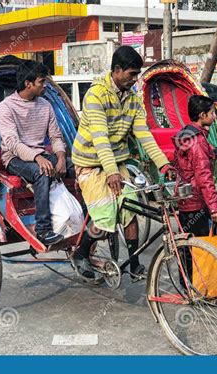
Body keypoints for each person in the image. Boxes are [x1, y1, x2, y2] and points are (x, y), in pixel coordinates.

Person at [71, 46, 176, 279]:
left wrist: (164, 164)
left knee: (131, 210)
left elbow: (144, 134)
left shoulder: (133, 98)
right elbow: (100, 138)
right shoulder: (96, 94)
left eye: (137, 74)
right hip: (90, 163)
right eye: (132, 74)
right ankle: (80, 252)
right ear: (117, 70)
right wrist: (111, 172)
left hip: (115, 162)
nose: (135, 79)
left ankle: (133, 262)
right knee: (106, 215)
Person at [0, 61, 67, 246]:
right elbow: (12, 143)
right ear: (28, 83)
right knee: (41, 171)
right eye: (41, 82)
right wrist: (37, 158)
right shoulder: (6, 107)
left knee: (79, 165)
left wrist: (60, 158)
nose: (44, 86)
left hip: (41, 154)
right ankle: (43, 230)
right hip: (14, 158)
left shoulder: (45, 105)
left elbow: (55, 136)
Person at [172, 95, 217, 285]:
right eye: (212, 113)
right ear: (202, 115)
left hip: (185, 198)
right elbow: (203, 176)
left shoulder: (187, 134)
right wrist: (214, 207)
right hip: (197, 200)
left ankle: (189, 285)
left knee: (188, 246)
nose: (215, 117)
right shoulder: (197, 140)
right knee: (200, 247)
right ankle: (200, 288)